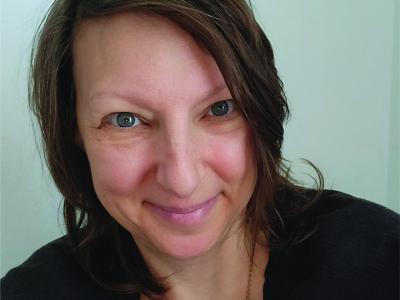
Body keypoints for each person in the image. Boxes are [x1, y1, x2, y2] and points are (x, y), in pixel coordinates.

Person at [1, 1, 399, 299]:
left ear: (261, 111)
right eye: (126, 119)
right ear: (74, 133)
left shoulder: (381, 263)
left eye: (219, 109)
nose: (181, 178)